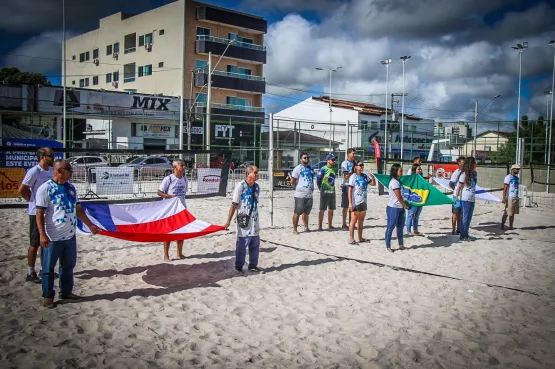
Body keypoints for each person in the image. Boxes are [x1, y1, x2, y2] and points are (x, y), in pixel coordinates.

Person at [35, 160, 100, 308]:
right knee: (48, 268)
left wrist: (90, 225)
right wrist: (42, 234)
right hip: (52, 236)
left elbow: (78, 209)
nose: (72, 172)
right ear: (59, 171)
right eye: (69, 170)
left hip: (70, 235)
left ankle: (65, 292)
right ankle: (48, 296)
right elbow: (39, 214)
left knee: (68, 266)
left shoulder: (71, 188)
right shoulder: (45, 189)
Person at [17, 147, 55, 283]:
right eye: (50, 155)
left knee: (46, 241)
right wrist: (32, 201)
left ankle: (43, 268)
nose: (53, 157)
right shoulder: (34, 171)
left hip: (50, 211)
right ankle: (30, 272)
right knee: (34, 243)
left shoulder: (51, 171)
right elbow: (21, 190)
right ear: (42, 157)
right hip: (36, 212)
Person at [224, 166, 261, 274]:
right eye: (255, 172)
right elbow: (234, 204)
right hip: (243, 221)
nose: (257, 174)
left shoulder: (257, 187)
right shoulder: (241, 186)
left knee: (255, 243)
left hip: (254, 220)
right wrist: (228, 221)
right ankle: (238, 266)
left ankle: (253, 265)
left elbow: (254, 203)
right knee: (242, 244)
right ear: (248, 173)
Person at [158, 159, 189, 261]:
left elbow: (184, 193)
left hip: (181, 209)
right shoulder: (169, 179)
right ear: (175, 167)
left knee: (182, 232)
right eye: (181, 165)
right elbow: (159, 192)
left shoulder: (185, 178)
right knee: (169, 233)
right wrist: (170, 197)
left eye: (184, 165)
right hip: (170, 210)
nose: (183, 167)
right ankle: (166, 255)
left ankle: (179, 254)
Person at [348, 160, 376, 244]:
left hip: (363, 201)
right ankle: (351, 239)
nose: (362, 167)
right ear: (355, 167)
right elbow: (350, 190)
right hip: (355, 202)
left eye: (363, 165)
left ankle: (360, 238)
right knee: (353, 221)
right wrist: (350, 203)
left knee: (361, 221)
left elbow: (373, 184)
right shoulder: (353, 176)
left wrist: (373, 177)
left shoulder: (364, 176)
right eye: (360, 165)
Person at [385, 164, 409, 252]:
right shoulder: (394, 182)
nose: (401, 172)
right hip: (393, 207)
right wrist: (405, 205)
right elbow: (398, 196)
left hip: (400, 207)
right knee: (391, 226)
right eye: (400, 170)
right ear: (395, 171)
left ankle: (401, 244)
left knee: (400, 226)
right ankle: (388, 246)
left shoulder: (399, 181)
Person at [290, 153, 314, 234]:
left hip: (309, 194)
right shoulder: (297, 168)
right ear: (301, 159)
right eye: (304, 158)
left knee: (306, 212)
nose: (306, 159)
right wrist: (298, 187)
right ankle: (295, 229)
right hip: (300, 195)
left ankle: (306, 227)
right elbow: (292, 181)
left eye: (307, 157)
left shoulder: (310, 168)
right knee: (297, 212)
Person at [456, 156, 477, 241]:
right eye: (474, 163)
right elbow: (459, 187)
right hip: (465, 198)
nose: (476, 164)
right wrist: (456, 197)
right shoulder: (464, 174)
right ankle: (462, 235)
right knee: (464, 217)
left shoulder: (474, 174)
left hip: (472, 197)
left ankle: (466, 234)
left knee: (469, 217)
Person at [316, 154, 337, 231]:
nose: (334, 161)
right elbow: (318, 180)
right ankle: (320, 226)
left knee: (331, 209)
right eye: (332, 160)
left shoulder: (334, 169)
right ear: (327, 160)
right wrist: (320, 188)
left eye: (334, 160)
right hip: (324, 191)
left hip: (332, 191)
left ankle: (330, 225)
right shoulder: (323, 169)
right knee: (322, 209)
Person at [406, 163, 424, 236]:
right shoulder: (411, 178)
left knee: (417, 215)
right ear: (414, 170)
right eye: (418, 169)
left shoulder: (421, 177)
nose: (420, 170)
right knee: (411, 214)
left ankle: (415, 229)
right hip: (413, 199)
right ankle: (408, 230)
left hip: (420, 198)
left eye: (420, 169)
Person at [501, 164, 520, 230]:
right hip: (510, 197)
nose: (518, 170)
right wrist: (504, 198)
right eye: (517, 169)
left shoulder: (517, 178)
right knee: (507, 212)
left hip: (515, 197)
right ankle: (502, 225)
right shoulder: (508, 177)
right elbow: (505, 188)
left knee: (512, 213)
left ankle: (510, 226)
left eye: (518, 169)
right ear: (513, 169)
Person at [341, 148, 356, 228]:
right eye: (353, 153)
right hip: (346, 185)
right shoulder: (345, 163)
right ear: (348, 154)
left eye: (354, 154)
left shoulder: (355, 163)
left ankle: (351, 223)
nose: (354, 155)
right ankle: (344, 223)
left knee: (352, 205)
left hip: (354, 186)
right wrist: (354, 172)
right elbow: (346, 176)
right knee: (345, 206)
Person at [449, 157, 465, 235]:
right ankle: (453, 228)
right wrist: (455, 190)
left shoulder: (466, 172)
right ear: (459, 163)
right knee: (455, 213)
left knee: (460, 213)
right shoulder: (457, 172)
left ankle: (459, 229)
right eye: (462, 162)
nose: (464, 163)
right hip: (456, 195)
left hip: (464, 196)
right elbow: (451, 183)